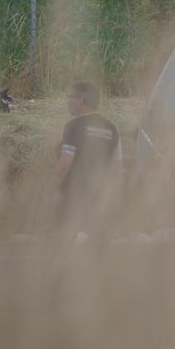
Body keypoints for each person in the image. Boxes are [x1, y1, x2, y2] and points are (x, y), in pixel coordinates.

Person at [54, 80, 121, 241]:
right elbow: (117, 167)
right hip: (101, 198)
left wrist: (51, 185)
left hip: (74, 197)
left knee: (67, 242)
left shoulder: (74, 126)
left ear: (81, 100)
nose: (67, 101)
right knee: (97, 244)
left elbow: (65, 163)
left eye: (70, 97)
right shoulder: (112, 128)